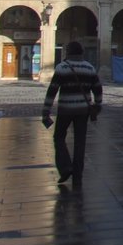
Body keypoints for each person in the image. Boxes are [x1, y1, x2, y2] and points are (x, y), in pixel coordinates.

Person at [42, 41, 102, 186]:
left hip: (65, 109)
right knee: (80, 142)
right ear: (81, 52)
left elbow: (52, 90)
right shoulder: (89, 68)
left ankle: (65, 167)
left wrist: (46, 110)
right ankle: (78, 173)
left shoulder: (62, 68)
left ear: (68, 53)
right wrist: (98, 104)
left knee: (59, 137)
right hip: (83, 110)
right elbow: (97, 88)